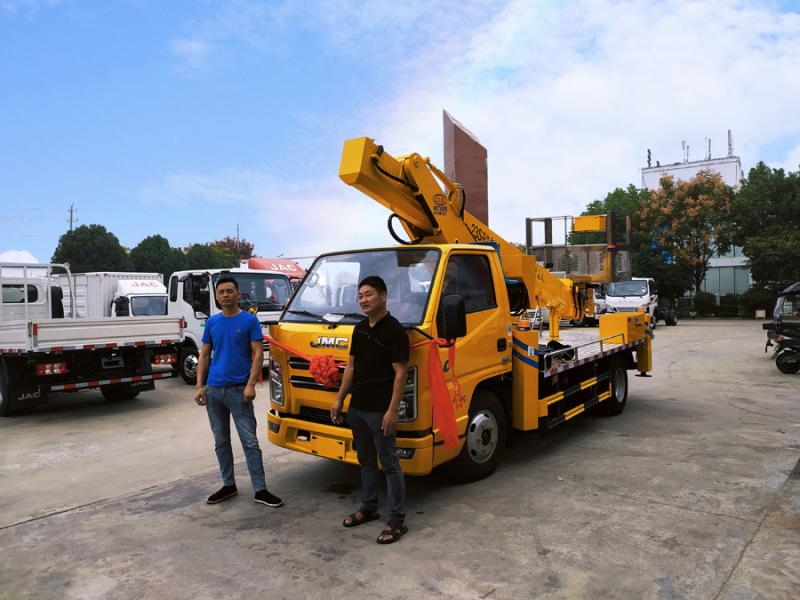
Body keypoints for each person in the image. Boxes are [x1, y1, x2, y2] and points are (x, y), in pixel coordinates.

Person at [331, 275, 410, 544]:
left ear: (383, 296)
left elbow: (401, 375)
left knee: (390, 465)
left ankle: (397, 521)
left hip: (380, 410)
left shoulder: (395, 331)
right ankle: (369, 508)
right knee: (365, 460)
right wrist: (340, 399)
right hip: (358, 408)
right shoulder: (360, 328)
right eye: (360, 295)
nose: (363, 300)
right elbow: (351, 368)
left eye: (369, 294)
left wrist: (392, 411)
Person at [194, 276, 283, 508]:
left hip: (239, 391)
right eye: (221, 292)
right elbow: (204, 355)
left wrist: (251, 384)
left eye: (229, 291)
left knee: (250, 442)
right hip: (214, 390)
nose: (225, 295)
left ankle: (260, 489)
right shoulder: (212, 323)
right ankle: (228, 485)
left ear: (237, 293)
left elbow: (257, 354)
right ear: (216, 296)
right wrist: (199, 385)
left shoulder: (249, 321)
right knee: (221, 442)